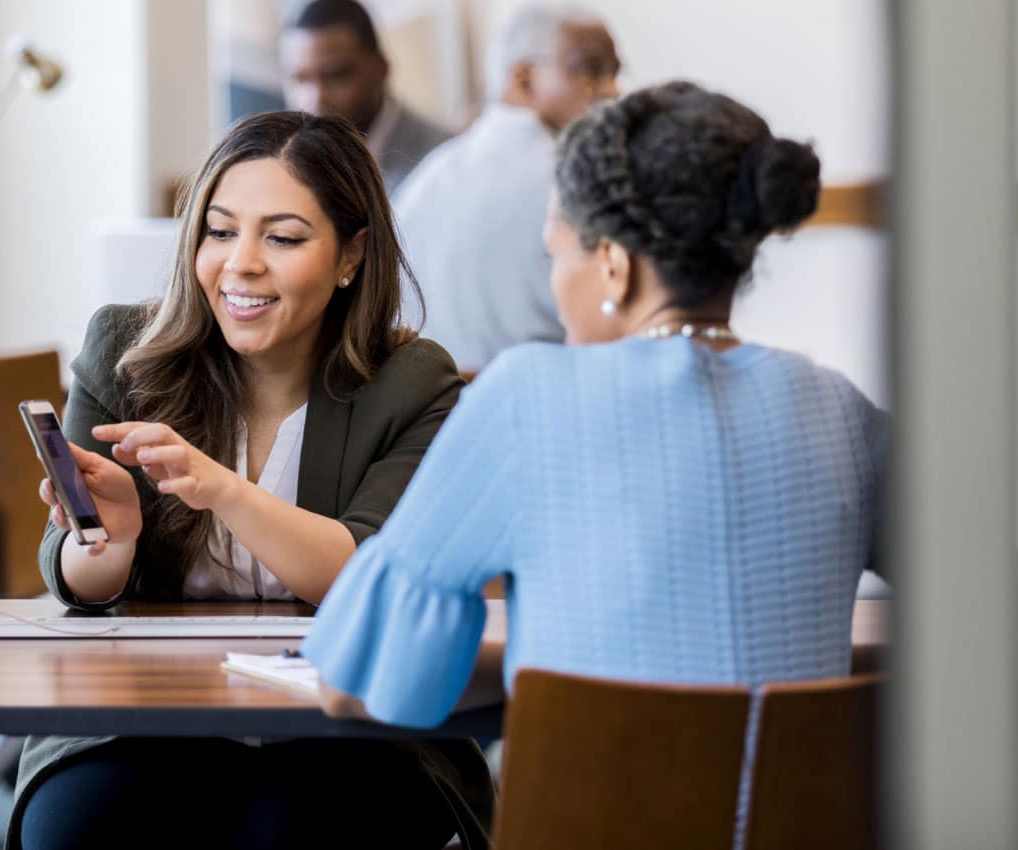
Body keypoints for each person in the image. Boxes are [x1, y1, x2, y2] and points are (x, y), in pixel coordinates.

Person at [305, 81, 887, 787]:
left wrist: (542, 667)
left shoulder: (526, 396)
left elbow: (357, 678)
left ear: (613, 263)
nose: (554, 283)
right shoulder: (842, 412)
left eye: (556, 254)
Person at [9, 111, 493, 850]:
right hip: (143, 725)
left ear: (350, 256)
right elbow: (77, 577)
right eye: (220, 230)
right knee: (76, 830)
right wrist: (109, 538)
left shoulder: (413, 382)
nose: (241, 263)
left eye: (284, 237)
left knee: (294, 830)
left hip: (349, 731)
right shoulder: (122, 353)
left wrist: (224, 490)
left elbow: (370, 575)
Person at [395, 6, 620, 373]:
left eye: (614, 73)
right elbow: (616, 333)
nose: (612, 90)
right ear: (524, 79)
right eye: (592, 70)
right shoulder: (576, 182)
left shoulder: (426, 180)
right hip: (549, 410)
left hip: (429, 419)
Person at [280, 0, 451, 195]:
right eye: (300, 79)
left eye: (336, 76)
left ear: (382, 69)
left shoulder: (442, 162)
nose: (316, 99)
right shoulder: (285, 162)